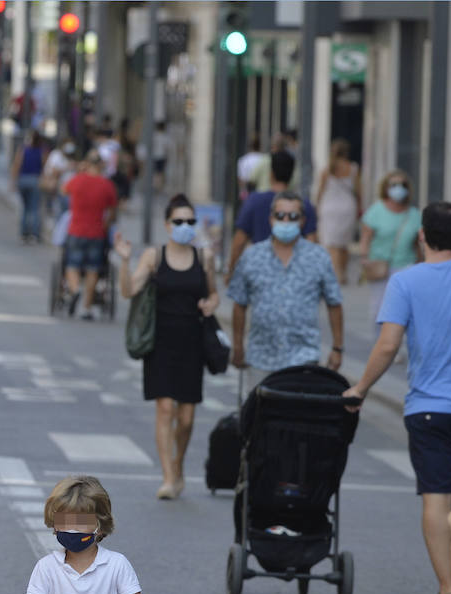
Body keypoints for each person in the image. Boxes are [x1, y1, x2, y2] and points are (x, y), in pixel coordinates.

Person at [343, 202, 451, 594]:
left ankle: (445, 592)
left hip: (428, 406)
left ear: (422, 236)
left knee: (436, 496)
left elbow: (388, 345)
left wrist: (360, 388)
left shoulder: (405, 281)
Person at [115, 195, 221, 499]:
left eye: (190, 221)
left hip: (192, 342)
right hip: (160, 342)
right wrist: (125, 260)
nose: (185, 226)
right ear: (167, 225)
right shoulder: (154, 256)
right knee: (164, 409)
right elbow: (128, 291)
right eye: (179, 221)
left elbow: (214, 294)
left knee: (186, 417)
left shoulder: (204, 258)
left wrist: (210, 304)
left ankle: (178, 464)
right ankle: (168, 476)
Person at [228, 191, 344, 380]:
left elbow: (334, 303)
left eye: (293, 216)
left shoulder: (318, 257)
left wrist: (337, 348)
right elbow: (239, 304)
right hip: (260, 358)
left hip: (303, 358)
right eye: (280, 215)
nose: (286, 221)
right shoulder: (252, 257)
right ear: (271, 219)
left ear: (303, 221)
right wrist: (238, 347)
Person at [227, 151, 320, 283]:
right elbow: (312, 243)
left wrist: (231, 271)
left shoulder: (254, 201)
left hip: (260, 274)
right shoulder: (304, 205)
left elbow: (239, 242)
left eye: (292, 217)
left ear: (271, 174)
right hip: (294, 275)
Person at [61, 150, 118, 321]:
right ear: (101, 165)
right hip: (96, 232)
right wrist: (105, 225)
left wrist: (80, 171)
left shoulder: (77, 180)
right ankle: (86, 308)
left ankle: (75, 289)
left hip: (76, 230)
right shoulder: (106, 185)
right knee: (93, 269)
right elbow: (112, 211)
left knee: (72, 265)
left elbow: (63, 190)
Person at [359, 170, 422, 282]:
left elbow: (417, 244)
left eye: (403, 185)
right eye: (394, 185)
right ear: (385, 188)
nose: (399, 188)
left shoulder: (415, 215)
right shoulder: (375, 212)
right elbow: (366, 238)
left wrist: (422, 264)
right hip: (380, 267)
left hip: (407, 266)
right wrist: (364, 259)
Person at [315, 138, 361, 285]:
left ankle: (336, 274)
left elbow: (320, 192)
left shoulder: (327, 170)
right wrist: (360, 208)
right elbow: (358, 191)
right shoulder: (353, 168)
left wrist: (317, 208)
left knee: (332, 244)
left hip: (329, 208)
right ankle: (343, 272)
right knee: (343, 244)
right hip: (347, 208)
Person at [11, 129, 47, 243]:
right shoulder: (42, 151)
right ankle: (35, 234)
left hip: (23, 179)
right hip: (35, 180)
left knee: (25, 208)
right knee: (35, 208)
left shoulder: (23, 149)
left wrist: (13, 182)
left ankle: (24, 233)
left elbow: (17, 165)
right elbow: (44, 167)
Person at [41, 140, 77, 220]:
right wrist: (67, 167)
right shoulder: (56, 155)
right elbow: (53, 171)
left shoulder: (70, 157)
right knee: (60, 211)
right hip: (59, 187)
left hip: (67, 189)